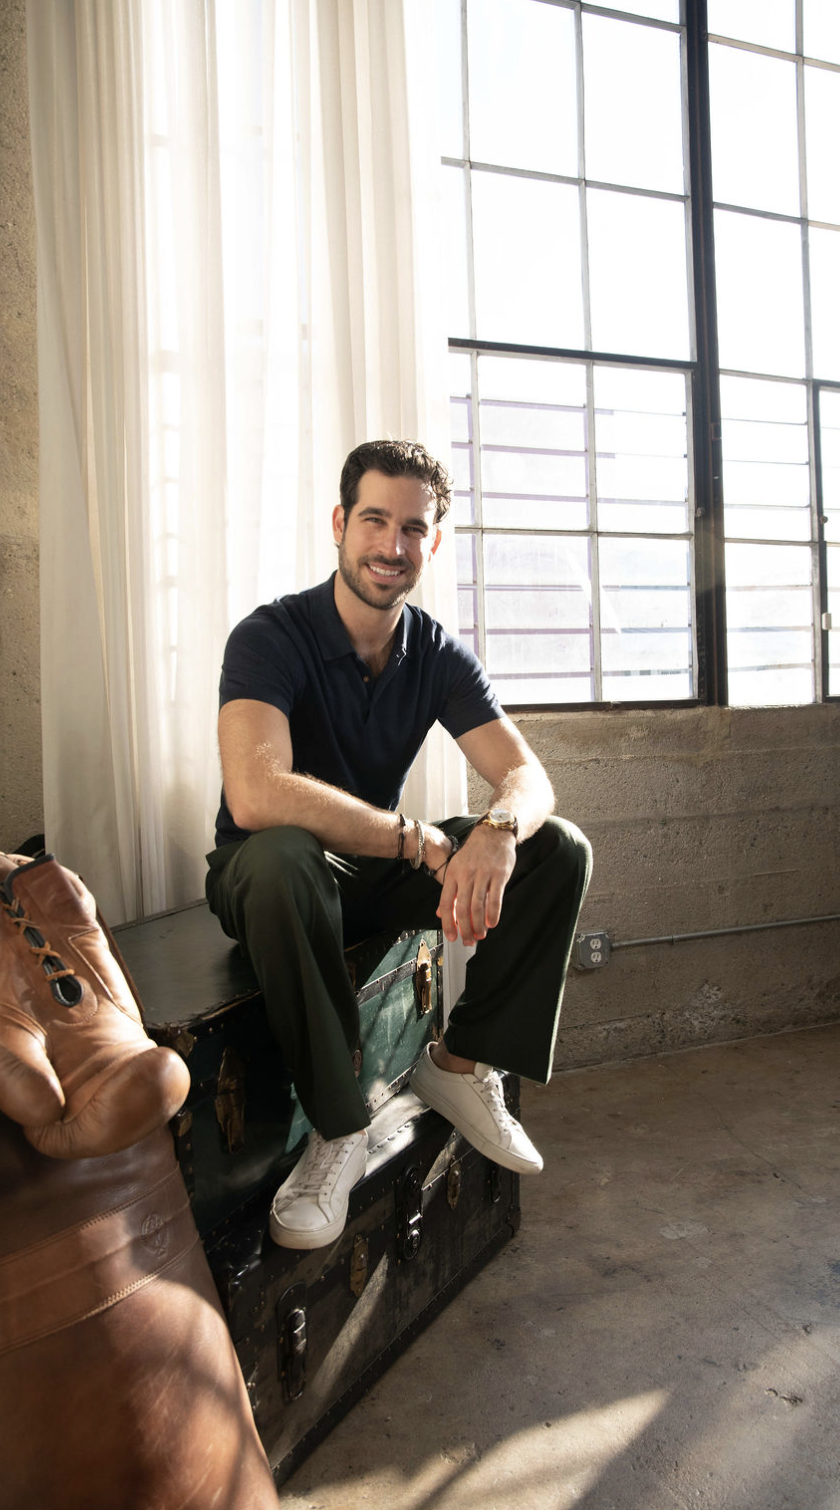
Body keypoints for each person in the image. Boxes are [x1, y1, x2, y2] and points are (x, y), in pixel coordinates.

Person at [206, 439, 592, 1250]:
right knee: (282, 856)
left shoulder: (437, 651)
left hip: (373, 869)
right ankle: (339, 1127)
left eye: (413, 528)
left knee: (557, 848)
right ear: (340, 524)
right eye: (375, 520)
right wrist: (417, 839)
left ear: (432, 542)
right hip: (266, 874)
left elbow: (527, 777)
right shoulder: (269, 636)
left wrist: (497, 829)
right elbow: (257, 792)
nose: (392, 545)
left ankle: (459, 1067)